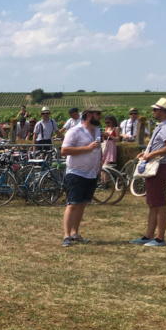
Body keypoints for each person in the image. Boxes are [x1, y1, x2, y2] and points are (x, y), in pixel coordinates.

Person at [130, 98, 166, 247]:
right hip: (156, 168)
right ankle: (149, 235)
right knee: (153, 203)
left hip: (159, 168)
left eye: (155, 110)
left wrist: (151, 154)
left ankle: (160, 238)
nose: (153, 112)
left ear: (163, 112)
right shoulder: (164, 126)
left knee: (159, 203)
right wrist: (146, 152)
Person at [59, 105, 103, 247]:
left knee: (83, 204)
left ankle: (75, 233)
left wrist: (99, 165)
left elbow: (97, 150)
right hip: (76, 172)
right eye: (98, 114)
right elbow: (64, 150)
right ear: (89, 115)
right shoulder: (75, 131)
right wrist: (87, 148)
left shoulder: (97, 131)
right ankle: (66, 236)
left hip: (91, 173)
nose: (100, 117)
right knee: (72, 204)